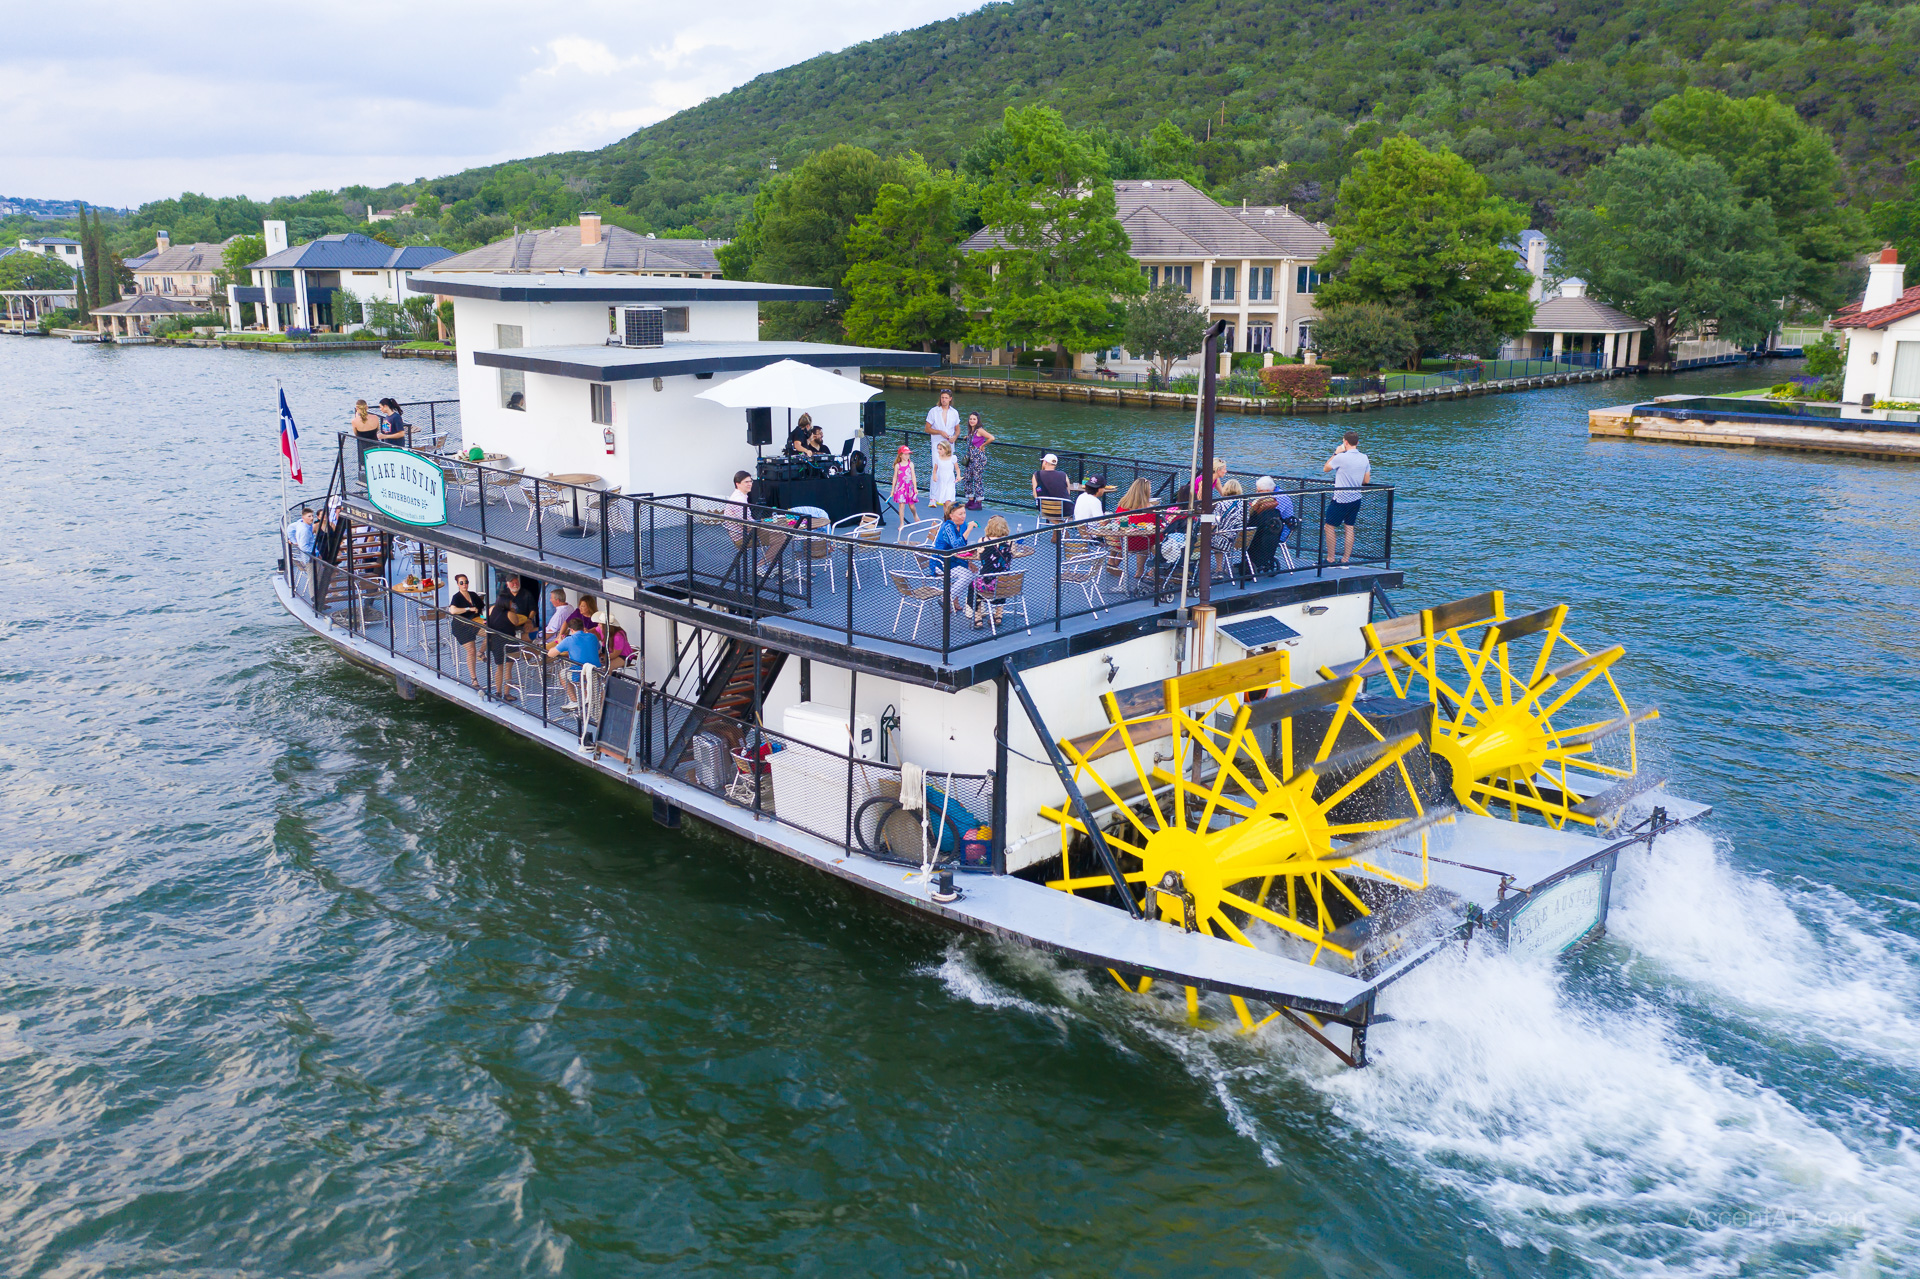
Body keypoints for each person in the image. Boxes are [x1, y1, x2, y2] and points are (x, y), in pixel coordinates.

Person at [1322, 430, 1370, 565]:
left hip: (1341, 498)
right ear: (1357, 443)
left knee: (1329, 527)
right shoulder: (1364, 457)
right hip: (1356, 497)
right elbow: (1366, 480)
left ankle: (1330, 559)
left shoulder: (1341, 457)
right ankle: (1345, 560)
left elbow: (1326, 468)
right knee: (1349, 528)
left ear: (1345, 442)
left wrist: (1336, 453)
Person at [925, 500, 978, 617]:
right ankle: (946, 599)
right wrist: (969, 529)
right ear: (951, 515)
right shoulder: (948, 527)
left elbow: (963, 548)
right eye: (960, 514)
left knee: (974, 572)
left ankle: (953, 598)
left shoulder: (962, 525)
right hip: (940, 562)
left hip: (954, 560)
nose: (963, 516)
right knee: (967, 575)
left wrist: (969, 562)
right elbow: (956, 546)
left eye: (964, 513)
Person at [548, 614, 603, 710]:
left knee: (562, 674)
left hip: (580, 672)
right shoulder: (592, 637)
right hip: (597, 671)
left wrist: (560, 644)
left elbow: (550, 654)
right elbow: (598, 651)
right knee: (583, 678)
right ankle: (588, 699)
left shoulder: (569, 639)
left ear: (571, 630)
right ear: (583, 628)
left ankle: (574, 701)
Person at [969, 514, 1014, 628]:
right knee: (1002, 577)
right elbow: (1013, 554)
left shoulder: (983, 540)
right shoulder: (1010, 542)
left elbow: (979, 557)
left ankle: (978, 618)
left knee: (972, 586)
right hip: (1005, 584)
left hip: (986, 583)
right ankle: (998, 615)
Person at [1247, 476, 1299, 574]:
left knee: (1252, 535)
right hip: (1274, 528)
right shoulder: (1276, 494)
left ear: (1267, 491)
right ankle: (1255, 560)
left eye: (1259, 491)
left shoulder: (1279, 499)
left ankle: (1253, 561)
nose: (1257, 493)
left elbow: (1271, 516)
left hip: (1279, 530)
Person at [1115, 477, 1161, 586]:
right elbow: (1157, 525)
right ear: (1145, 491)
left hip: (1123, 542)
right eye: (1149, 489)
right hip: (1142, 542)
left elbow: (1117, 521)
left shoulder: (1123, 505)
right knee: (1156, 541)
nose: (1150, 491)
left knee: (1146, 539)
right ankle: (1148, 569)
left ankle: (1117, 564)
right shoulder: (1148, 508)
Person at [448, 573, 485, 684]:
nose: (464, 584)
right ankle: (474, 679)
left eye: (466, 582)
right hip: (461, 626)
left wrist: (485, 619)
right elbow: (453, 611)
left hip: (474, 623)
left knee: (491, 633)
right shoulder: (457, 597)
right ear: (458, 584)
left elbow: (481, 611)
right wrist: (468, 609)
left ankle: (481, 652)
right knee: (471, 650)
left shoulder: (473, 595)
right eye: (461, 583)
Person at [484, 589, 520, 701]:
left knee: (499, 668)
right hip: (509, 643)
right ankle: (507, 694)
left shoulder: (491, 609)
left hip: (495, 642)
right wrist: (513, 611)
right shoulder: (510, 614)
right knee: (508, 669)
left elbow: (486, 619)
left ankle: (498, 692)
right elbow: (516, 622)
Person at [1213, 477, 1247, 579]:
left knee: (1211, 538)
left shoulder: (1221, 504)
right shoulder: (1244, 503)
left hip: (1224, 539)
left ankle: (1219, 569)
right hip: (1240, 539)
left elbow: (1214, 522)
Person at [587, 607, 635, 672]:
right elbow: (595, 629)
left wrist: (604, 658)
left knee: (607, 668)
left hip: (623, 656)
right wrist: (587, 631)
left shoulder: (618, 636)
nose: (598, 624)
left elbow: (615, 654)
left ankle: (607, 678)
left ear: (605, 626)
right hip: (609, 653)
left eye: (600, 623)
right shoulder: (601, 629)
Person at [961, 413, 993, 510]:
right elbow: (974, 439)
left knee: (977, 479)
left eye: (974, 419)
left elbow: (991, 438)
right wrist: (967, 437)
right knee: (967, 478)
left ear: (978, 420)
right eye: (970, 419)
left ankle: (979, 502)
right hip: (970, 458)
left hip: (978, 458)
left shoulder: (980, 430)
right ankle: (970, 499)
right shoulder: (972, 431)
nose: (972, 420)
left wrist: (983, 445)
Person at [925, 390, 959, 474]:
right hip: (937, 445)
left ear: (950, 399)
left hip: (949, 445)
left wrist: (955, 437)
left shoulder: (954, 412)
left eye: (946, 398)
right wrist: (940, 432)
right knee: (937, 469)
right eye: (942, 398)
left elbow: (957, 429)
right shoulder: (933, 411)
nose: (944, 400)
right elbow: (927, 429)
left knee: (949, 469)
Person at [890, 444, 919, 524]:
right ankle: (902, 523)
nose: (907, 456)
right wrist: (892, 489)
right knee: (901, 505)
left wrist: (915, 487)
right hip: (900, 487)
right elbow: (895, 477)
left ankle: (915, 515)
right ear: (900, 455)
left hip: (909, 487)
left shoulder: (911, 464)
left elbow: (913, 476)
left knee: (911, 506)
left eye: (908, 454)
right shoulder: (897, 466)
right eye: (905, 454)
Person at [505, 574, 540, 640]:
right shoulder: (504, 595)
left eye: (517, 582)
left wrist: (529, 620)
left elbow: (533, 609)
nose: (515, 584)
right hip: (509, 623)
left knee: (529, 632)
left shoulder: (526, 593)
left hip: (525, 622)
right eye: (512, 583)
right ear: (507, 584)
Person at [930, 439, 958, 506]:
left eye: (940, 449)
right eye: (938, 449)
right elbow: (935, 469)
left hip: (950, 481)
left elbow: (957, 468)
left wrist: (958, 476)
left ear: (946, 449)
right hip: (942, 481)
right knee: (944, 502)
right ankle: (946, 512)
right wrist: (934, 475)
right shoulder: (938, 458)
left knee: (948, 500)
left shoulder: (952, 458)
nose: (938, 451)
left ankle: (949, 512)